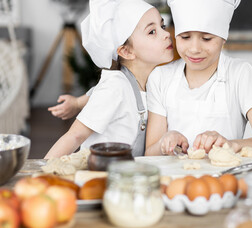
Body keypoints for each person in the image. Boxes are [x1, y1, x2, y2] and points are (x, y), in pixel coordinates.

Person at [145, 0, 252, 156]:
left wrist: (232, 145)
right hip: (174, 177)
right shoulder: (160, 77)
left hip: (225, 176)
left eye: (207, 39)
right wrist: (164, 142)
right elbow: (149, 153)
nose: (194, 49)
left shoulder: (240, 73)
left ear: (223, 38)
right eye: (185, 37)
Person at [45, 0, 174, 159]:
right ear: (126, 52)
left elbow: (97, 96)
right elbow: (75, 136)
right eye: (152, 32)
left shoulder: (154, 81)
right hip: (99, 172)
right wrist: (41, 172)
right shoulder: (116, 85)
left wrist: (78, 103)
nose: (166, 33)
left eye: (162, 26)